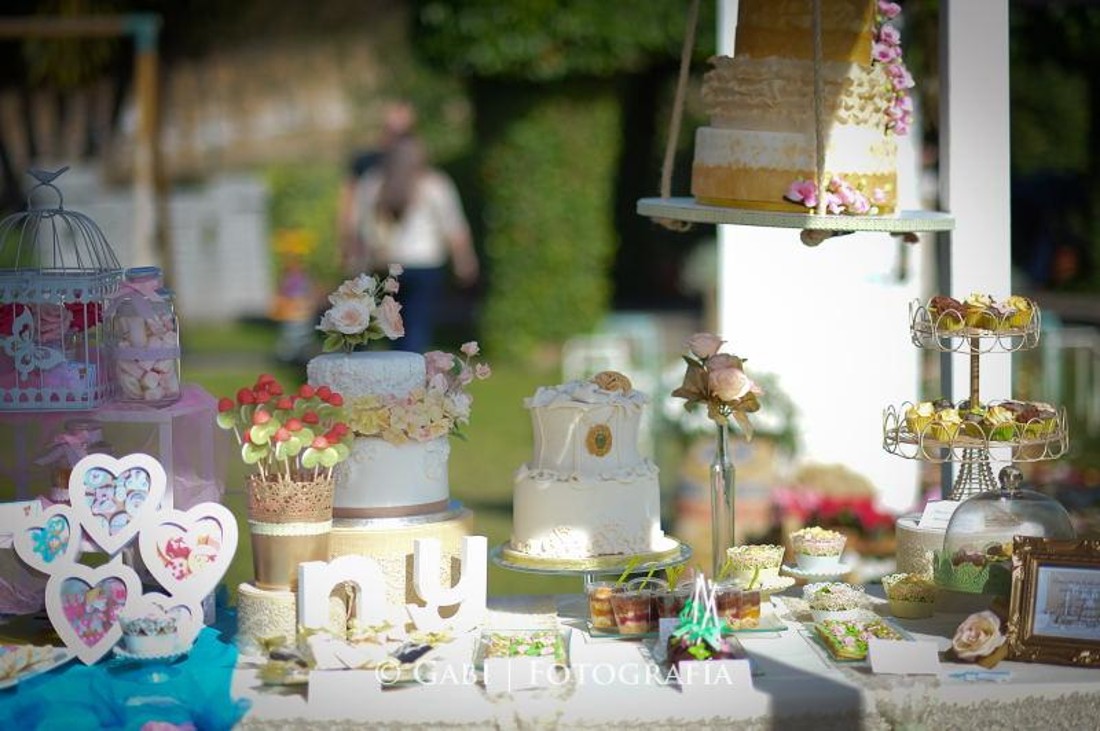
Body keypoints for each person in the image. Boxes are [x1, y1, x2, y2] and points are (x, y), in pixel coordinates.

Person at [352, 134, 479, 353]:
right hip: (425, 265)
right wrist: (464, 261)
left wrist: (359, 262)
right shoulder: (434, 184)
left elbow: (362, 228)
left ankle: (396, 372)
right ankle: (411, 374)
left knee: (392, 327)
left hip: (387, 265)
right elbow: (454, 228)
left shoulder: (373, 182)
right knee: (418, 326)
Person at [338, 101, 417, 275]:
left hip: (408, 254)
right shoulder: (365, 163)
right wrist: (346, 240)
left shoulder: (415, 162)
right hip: (370, 250)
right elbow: (348, 202)